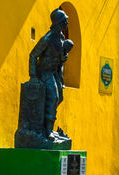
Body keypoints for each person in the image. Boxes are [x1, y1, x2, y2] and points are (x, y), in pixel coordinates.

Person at [29, 8, 72, 139]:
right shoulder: (47, 39)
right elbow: (33, 55)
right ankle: (47, 131)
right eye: (65, 20)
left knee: (59, 98)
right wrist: (33, 76)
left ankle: (47, 127)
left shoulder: (60, 38)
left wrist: (62, 59)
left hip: (54, 72)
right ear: (58, 23)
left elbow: (58, 56)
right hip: (45, 72)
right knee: (53, 97)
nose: (67, 23)